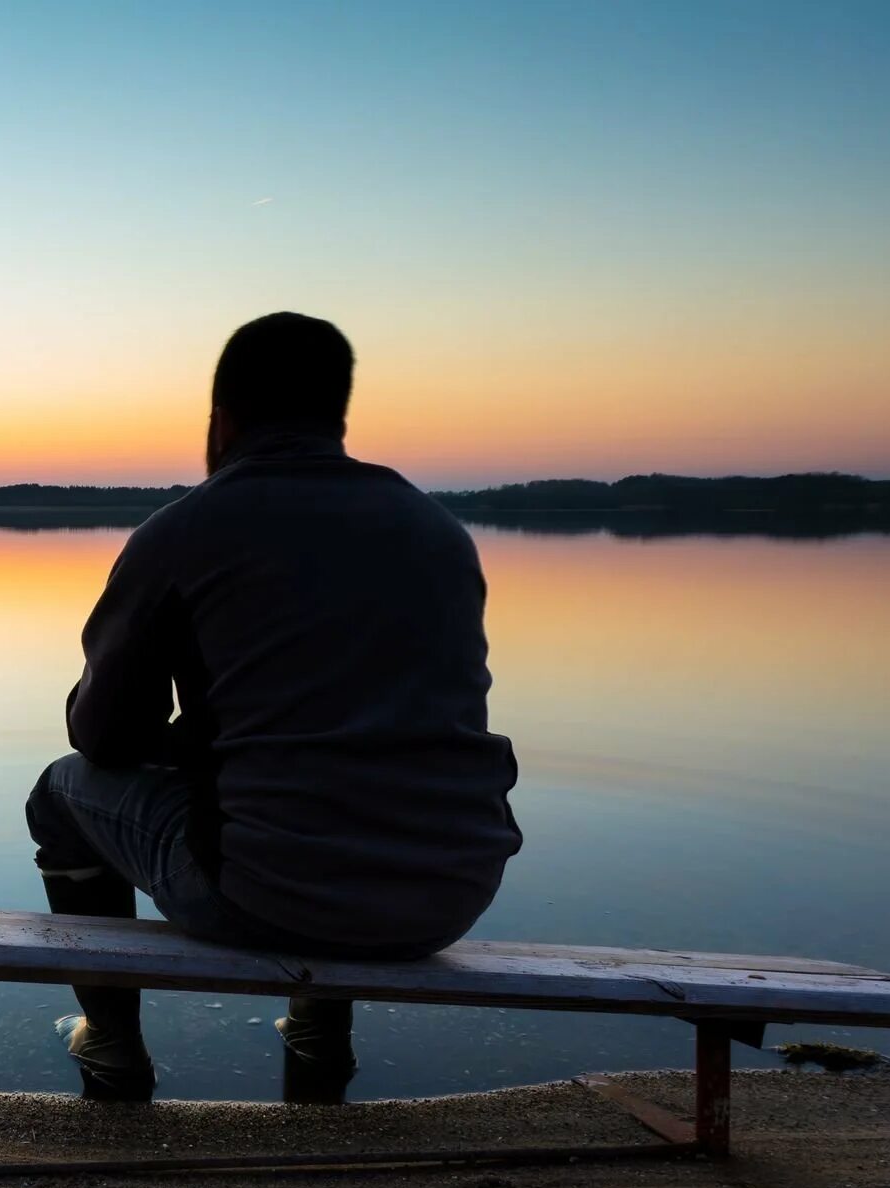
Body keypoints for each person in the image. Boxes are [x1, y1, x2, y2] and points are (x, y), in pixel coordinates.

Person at [25, 312, 521, 1103]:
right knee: (328, 785)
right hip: (450, 893)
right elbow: (362, 722)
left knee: (59, 792)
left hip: (265, 896)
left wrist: (173, 733)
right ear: (338, 419)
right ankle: (320, 1034)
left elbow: (104, 735)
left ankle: (111, 1042)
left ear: (219, 421)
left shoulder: (185, 531)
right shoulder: (436, 531)